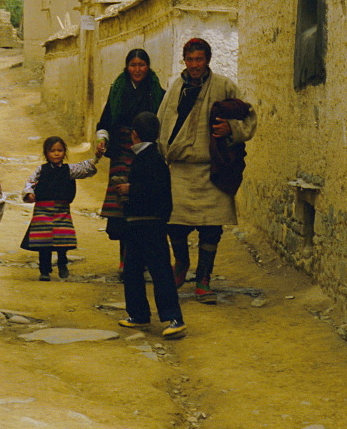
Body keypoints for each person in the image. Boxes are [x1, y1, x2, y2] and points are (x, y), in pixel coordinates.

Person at [157, 38, 257, 304]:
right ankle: (181, 265)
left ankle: (204, 279)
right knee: (175, 226)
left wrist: (231, 131)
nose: (194, 66)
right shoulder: (175, 87)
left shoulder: (224, 86)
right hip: (179, 169)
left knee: (211, 229)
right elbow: (163, 121)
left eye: (199, 60)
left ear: (208, 60)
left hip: (212, 168)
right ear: (184, 61)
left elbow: (248, 116)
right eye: (190, 60)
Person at [95, 49, 166, 275]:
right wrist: (102, 140)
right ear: (127, 67)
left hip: (146, 154)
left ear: (148, 67)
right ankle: (125, 259)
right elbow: (104, 122)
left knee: (143, 202)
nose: (137, 70)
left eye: (141, 65)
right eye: (133, 65)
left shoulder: (157, 93)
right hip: (121, 152)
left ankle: (143, 258)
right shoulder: (118, 90)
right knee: (123, 207)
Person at [116, 111, 186, 339]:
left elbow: (155, 192)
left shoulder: (151, 159)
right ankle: (138, 314)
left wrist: (130, 190)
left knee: (160, 271)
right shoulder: (150, 157)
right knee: (133, 271)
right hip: (139, 224)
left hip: (149, 224)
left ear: (134, 135)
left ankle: (174, 318)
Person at [21, 135, 101, 281]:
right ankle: (44, 271)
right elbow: (29, 183)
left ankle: (62, 263)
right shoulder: (40, 170)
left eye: (60, 150)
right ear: (46, 153)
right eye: (52, 151)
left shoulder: (69, 170)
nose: (56, 153)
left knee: (62, 241)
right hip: (42, 211)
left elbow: (84, 168)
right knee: (43, 244)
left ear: (65, 152)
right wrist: (29, 194)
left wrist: (96, 157)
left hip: (61, 211)